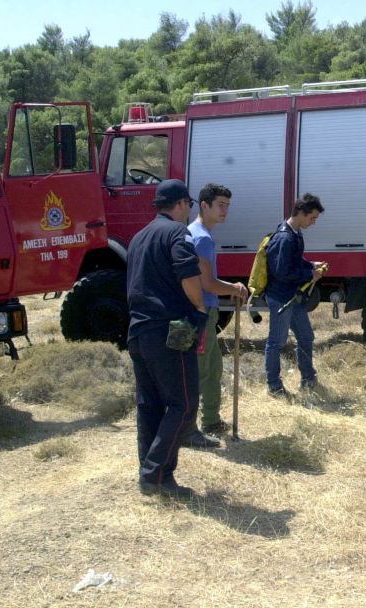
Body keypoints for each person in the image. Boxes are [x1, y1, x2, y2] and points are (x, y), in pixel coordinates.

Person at [126, 179, 207, 498]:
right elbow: (188, 274)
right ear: (182, 204)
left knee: (150, 405)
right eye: (190, 204)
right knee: (183, 403)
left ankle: (151, 476)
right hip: (169, 332)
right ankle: (156, 473)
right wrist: (199, 307)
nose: (190, 210)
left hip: (138, 330)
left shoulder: (138, 237)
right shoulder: (177, 233)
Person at [184, 183, 249, 446]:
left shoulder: (195, 233)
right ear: (204, 205)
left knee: (212, 367)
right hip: (203, 310)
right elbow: (207, 283)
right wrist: (235, 288)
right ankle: (189, 428)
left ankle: (210, 420)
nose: (225, 210)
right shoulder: (202, 238)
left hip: (202, 311)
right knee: (201, 370)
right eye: (220, 205)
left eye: (227, 205)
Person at [264, 193, 326, 398]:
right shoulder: (285, 237)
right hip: (282, 297)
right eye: (312, 218)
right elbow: (282, 271)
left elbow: (294, 261)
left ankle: (308, 379)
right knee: (277, 342)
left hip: (294, 297)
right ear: (300, 213)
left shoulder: (295, 233)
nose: (314, 222)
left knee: (306, 337)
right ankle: (274, 386)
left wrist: (310, 265)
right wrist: (309, 273)